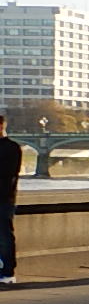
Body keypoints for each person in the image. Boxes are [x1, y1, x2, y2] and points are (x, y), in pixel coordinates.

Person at [0, 115, 20, 285]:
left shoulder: (11, 148)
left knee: (4, 236)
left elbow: (9, 175)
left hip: (3, 199)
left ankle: (8, 272)